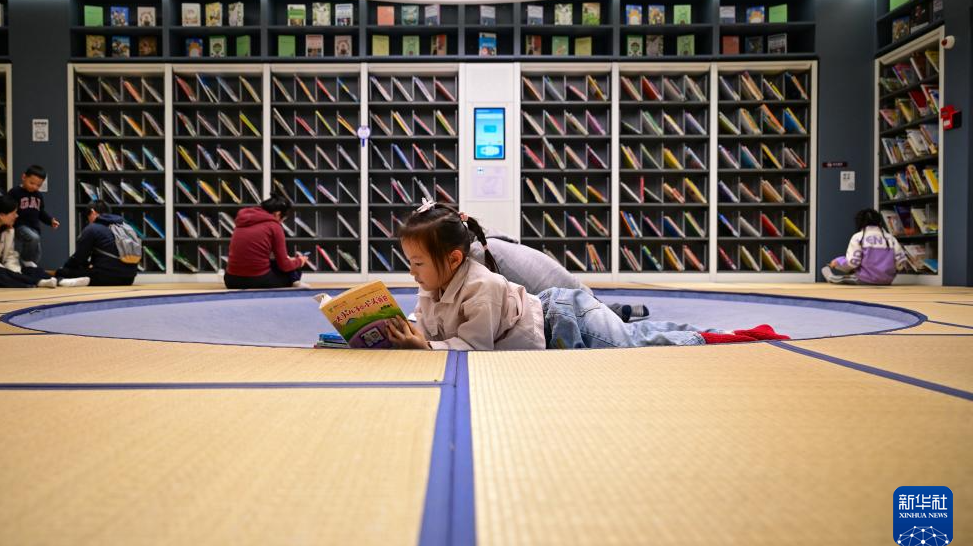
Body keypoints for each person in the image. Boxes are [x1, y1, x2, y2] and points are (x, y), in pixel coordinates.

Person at [384, 201, 788, 350]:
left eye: (418, 263)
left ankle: (723, 338)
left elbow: (475, 347)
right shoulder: (434, 285)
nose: (411, 272)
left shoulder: (481, 283)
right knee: (637, 334)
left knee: (637, 343)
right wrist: (409, 332)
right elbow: (431, 326)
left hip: (566, 317)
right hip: (554, 314)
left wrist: (426, 348)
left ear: (454, 258)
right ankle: (703, 331)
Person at [469, 228, 649, 322]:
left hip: (566, 304)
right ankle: (610, 311)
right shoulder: (492, 240)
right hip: (577, 290)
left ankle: (609, 314)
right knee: (596, 310)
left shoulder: (477, 253)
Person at [0, 195, 84, 288]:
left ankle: (58, 281)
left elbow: (10, 256)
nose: (17, 215)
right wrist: (10, 273)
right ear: (2, 215)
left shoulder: (8, 230)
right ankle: (37, 282)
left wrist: (15, 271)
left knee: (29, 269)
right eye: (14, 213)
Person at [224, 197, 309, 289]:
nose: (281, 223)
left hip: (231, 280)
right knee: (295, 269)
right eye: (282, 220)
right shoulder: (274, 226)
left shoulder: (241, 222)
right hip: (257, 280)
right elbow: (284, 265)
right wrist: (300, 261)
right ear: (277, 214)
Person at [56, 201, 139, 286]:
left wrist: (65, 267)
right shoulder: (125, 227)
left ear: (92, 211)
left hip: (105, 277)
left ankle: (73, 280)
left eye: (88, 216)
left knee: (62, 272)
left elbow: (79, 257)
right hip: (129, 278)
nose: (89, 220)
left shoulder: (92, 228)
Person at [822, 208, 906, 285]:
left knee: (831, 275)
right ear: (879, 222)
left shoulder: (858, 237)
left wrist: (838, 262)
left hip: (864, 279)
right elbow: (900, 263)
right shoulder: (891, 238)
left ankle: (829, 276)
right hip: (887, 281)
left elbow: (853, 263)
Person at [7, 164, 59, 267]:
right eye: (31, 183)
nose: (34, 187)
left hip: (34, 227)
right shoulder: (15, 192)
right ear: (24, 177)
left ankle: (29, 269)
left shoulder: (38, 195)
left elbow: (41, 212)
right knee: (33, 238)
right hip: (20, 225)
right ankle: (25, 260)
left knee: (37, 252)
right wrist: (8, 224)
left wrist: (50, 221)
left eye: (38, 185)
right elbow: (8, 209)